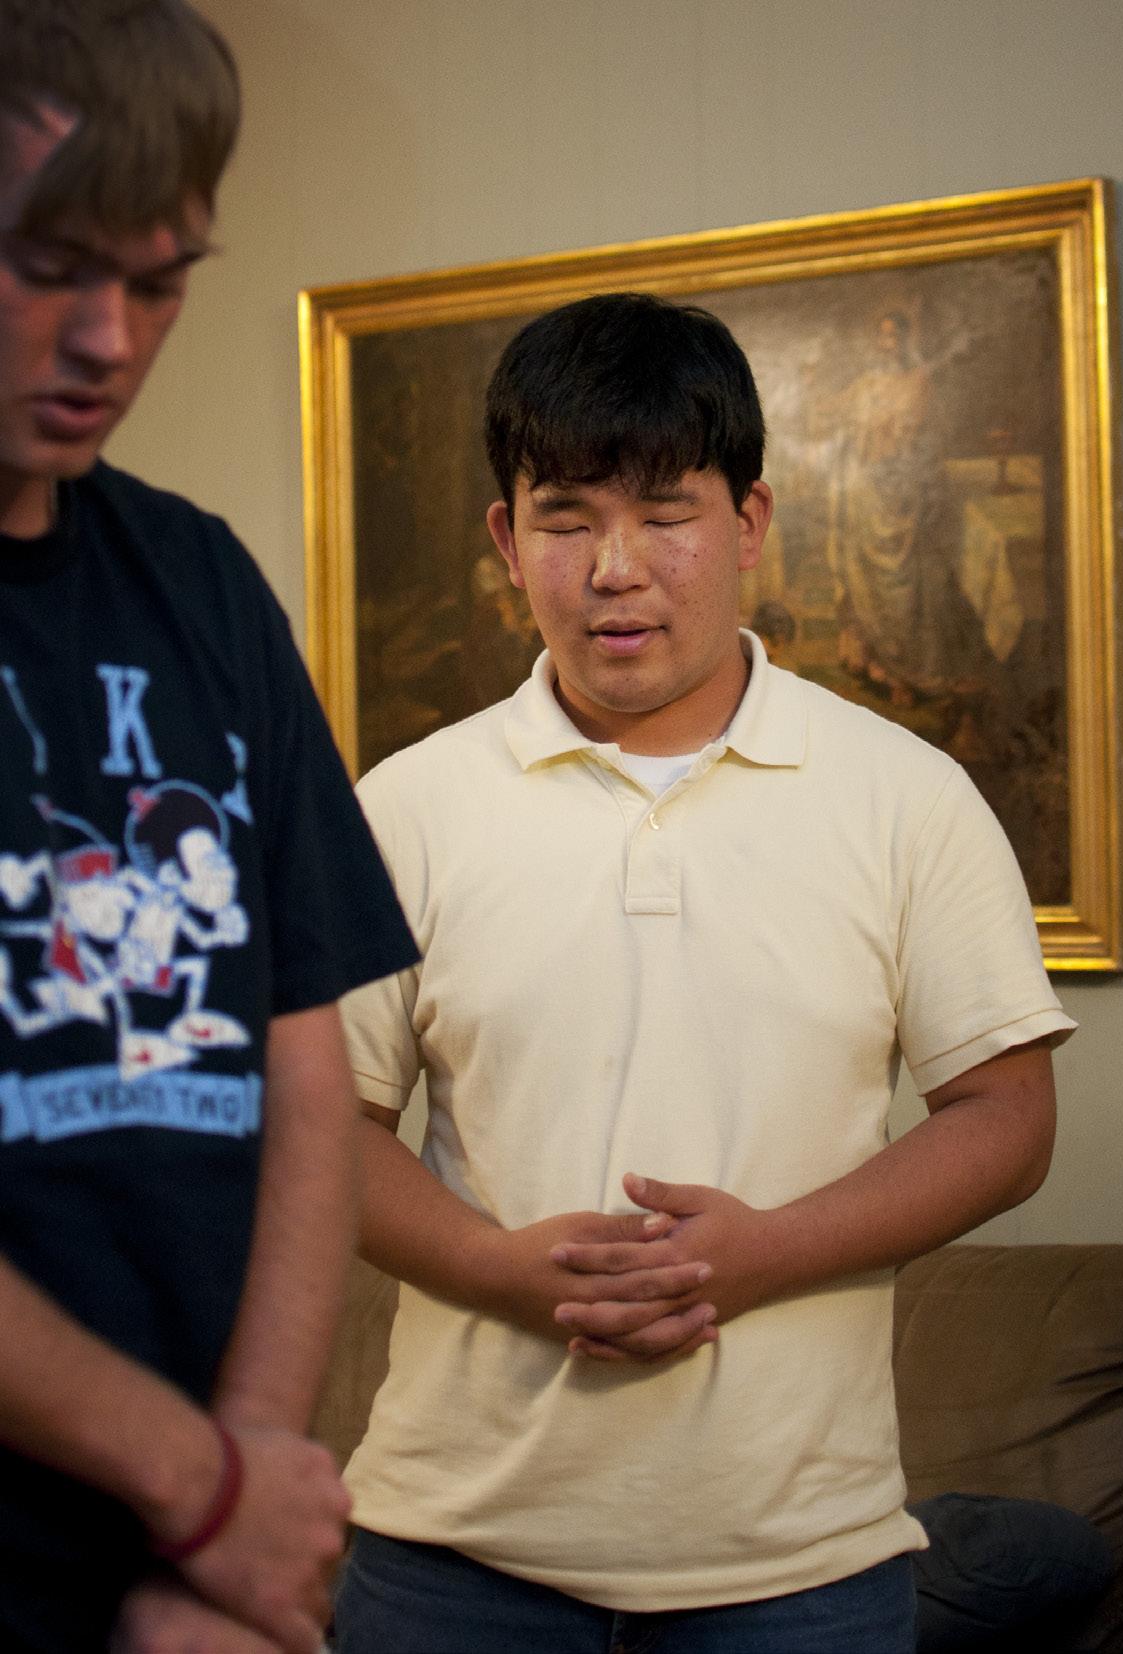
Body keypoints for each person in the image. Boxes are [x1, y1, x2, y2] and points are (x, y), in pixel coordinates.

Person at [334, 291, 1076, 1653]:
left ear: (749, 521)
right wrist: (502, 1271)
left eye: (666, 512)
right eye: (566, 519)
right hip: (447, 1557)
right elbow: (326, 1131)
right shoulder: (401, 809)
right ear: (506, 540)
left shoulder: (908, 796)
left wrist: (766, 1254)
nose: (616, 568)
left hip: (804, 1566)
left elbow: (1008, 1117)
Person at [0, 5, 417, 1650]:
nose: (108, 338)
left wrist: (228, 1519)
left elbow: (303, 1072)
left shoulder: (201, 583)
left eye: (162, 280)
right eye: (48, 266)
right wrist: (204, 1489)